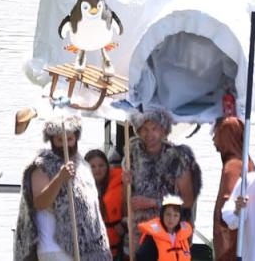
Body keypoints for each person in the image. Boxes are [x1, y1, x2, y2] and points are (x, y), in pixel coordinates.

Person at [12, 117, 108, 261]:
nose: (64, 145)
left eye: (69, 139)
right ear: (52, 141)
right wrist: (60, 178)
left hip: (85, 248)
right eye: (59, 140)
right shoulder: (42, 166)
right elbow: (39, 203)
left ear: (76, 138)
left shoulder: (82, 166)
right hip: (54, 249)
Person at [125, 109, 200, 235]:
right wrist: (125, 183)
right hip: (139, 232)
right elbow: (126, 200)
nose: (149, 134)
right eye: (145, 129)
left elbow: (187, 200)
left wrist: (152, 202)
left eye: (154, 128)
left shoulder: (178, 159)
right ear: (138, 131)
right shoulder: (131, 156)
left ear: (163, 131)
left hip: (168, 231)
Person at [212, 115, 246, 261]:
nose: (214, 140)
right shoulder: (246, 161)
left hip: (230, 243)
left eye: (217, 134)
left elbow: (228, 207)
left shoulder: (232, 166)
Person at [86, 148, 126, 258]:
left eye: (101, 165)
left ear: (107, 166)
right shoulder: (79, 189)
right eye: (92, 166)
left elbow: (128, 210)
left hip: (117, 246)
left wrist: (124, 223)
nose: (97, 170)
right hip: (91, 248)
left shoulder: (121, 184)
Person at [135, 194, 193, 261]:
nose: (171, 219)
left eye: (175, 215)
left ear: (180, 218)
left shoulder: (183, 237)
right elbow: (142, 257)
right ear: (162, 215)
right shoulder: (152, 238)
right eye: (168, 214)